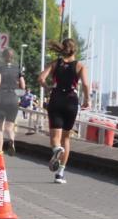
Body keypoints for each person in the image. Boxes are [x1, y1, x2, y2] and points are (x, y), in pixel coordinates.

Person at [38, 38, 91, 183]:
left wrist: (47, 87)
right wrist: (87, 99)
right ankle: (60, 174)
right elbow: (86, 84)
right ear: (75, 50)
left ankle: (56, 150)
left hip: (56, 99)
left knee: (55, 137)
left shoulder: (55, 64)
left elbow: (41, 78)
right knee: (66, 138)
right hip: (71, 101)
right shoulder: (80, 66)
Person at [0, 48, 25, 156]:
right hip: (13, 98)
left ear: (3, 57)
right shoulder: (18, 69)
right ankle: (11, 140)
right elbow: (23, 85)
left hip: (1, 98)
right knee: (9, 126)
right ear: (12, 58)